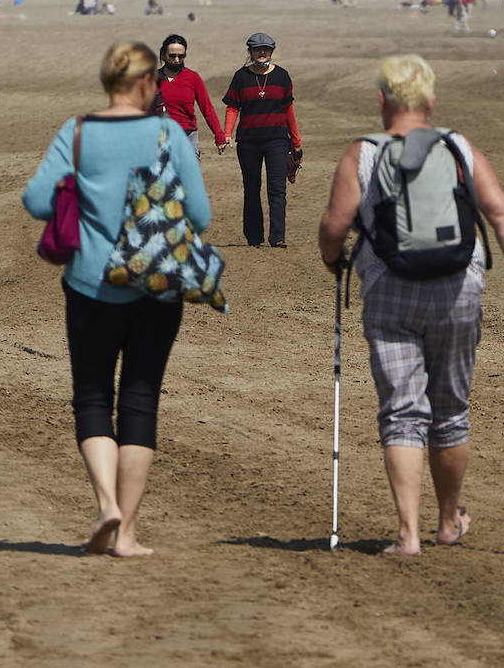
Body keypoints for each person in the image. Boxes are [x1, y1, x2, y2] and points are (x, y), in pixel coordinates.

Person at [317, 54, 504, 556]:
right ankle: (447, 520)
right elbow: (500, 211)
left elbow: (334, 226)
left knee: (401, 413)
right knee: (450, 412)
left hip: (389, 290)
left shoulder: (363, 153)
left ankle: (408, 535)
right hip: (459, 289)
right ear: (431, 101)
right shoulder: (458, 146)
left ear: (381, 101)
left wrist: (335, 262)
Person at [23, 41, 210, 557]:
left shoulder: (78, 132)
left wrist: (85, 193)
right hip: (155, 282)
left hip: (90, 283)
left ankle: (105, 502)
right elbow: (200, 214)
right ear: (150, 83)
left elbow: (37, 199)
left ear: (107, 82)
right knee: (140, 398)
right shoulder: (168, 133)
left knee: (92, 396)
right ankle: (126, 532)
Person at [222, 32, 303, 248]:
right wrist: (227, 133)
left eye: (266, 50)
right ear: (250, 52)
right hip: (248, 142)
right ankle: (254, 237)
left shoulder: (282, 76)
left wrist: (296, 141)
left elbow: (288, 110)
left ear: (271, 52)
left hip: (277, 141)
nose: (262, 53)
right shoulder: (241, 77)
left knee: (277, 189)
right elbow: (232, 107)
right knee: (251, 187)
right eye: (257, 50)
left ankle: (278, 237)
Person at [155, 34, 227, 159]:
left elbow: (207, 109)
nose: (177, 60)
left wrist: (219, 135)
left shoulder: (193, 78)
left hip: (188, 138)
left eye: (181, 56)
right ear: (163, 55)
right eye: (172, 55)